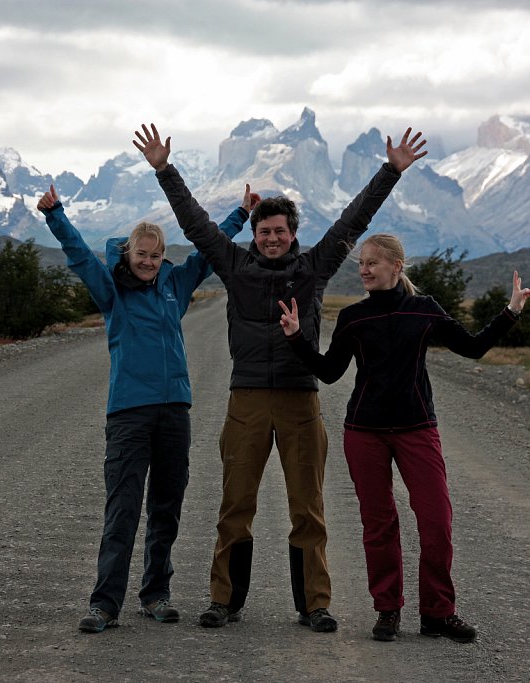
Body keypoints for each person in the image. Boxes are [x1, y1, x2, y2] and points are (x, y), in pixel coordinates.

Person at [133, 123, 427, 632]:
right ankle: (223, 600)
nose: (271, 238)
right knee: (235, 505)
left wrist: (390, 172)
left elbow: (353, 222)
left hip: (299, 401)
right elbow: (196, 224)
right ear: (255, 234)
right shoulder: (233, 263)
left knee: (307, 507)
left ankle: (315, 604)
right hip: (245, 399)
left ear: (293, 234)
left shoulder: (314, 267)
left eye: (280, 232)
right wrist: (165, 169)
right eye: (264, 231)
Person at [277, 233, 530, 642]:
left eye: (372, 263)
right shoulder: (353, 318)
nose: (363, 269)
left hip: (417, 429)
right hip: (365, 433)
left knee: (437, 521)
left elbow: (471, 348)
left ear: (396, 267)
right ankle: (387, 610)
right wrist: (295, 337)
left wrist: (511, 310)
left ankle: (438, 613)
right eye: (361, 263)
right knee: (379, 525)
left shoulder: (423, 310)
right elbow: (328, 372)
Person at [36, 182, 255, 633]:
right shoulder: (112, 291)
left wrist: (242, 215)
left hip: (174, 412)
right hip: (129, 414)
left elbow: (211, 252)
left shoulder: (175, 283)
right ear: (128, 253)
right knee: (123, 508)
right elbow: (79, 255)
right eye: (141, 253)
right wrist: (55, 215)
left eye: (155, 255)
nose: (148, 261)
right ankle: (104, 604)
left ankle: (156, 594)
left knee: (166, 507)